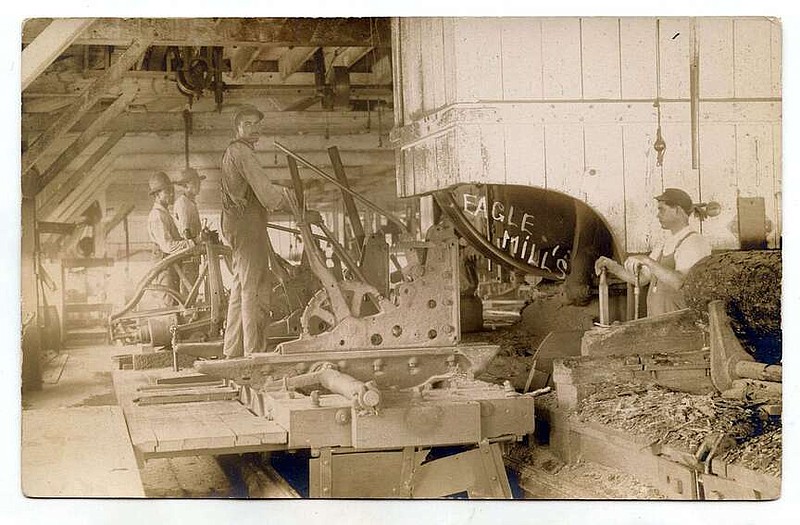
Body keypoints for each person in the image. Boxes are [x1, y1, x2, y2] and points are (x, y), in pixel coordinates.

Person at [220, 106, 288, 358]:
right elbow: (266, 194)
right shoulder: (241, 151)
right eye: (247, 124)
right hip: (246, 227)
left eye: (257, 124)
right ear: (237, 128)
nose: (254, 128)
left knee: (240, 288)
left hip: (240, 226)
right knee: (252, 289)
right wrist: (287, 198)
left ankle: (232, 350)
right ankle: (252, 353)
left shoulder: (235, 151)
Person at [594, 188, 711, 317]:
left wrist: (646, 260)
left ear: (677, 210)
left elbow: (679, 281)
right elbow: (642, 278)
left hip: (681, 326)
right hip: (659, 324)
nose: (658, 215)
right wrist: (613, 267)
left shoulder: (694, 242)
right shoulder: (663, 244)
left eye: (662, 209)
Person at [147, 171, 194, 306]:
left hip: (171, 264)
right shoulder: (157, 216)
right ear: (157, 195)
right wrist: (192, 242)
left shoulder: (165, 214)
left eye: (172, 191)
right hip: (164, 265)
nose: (172, 195)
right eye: (167, 192)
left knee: (176, 302)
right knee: (169, 305)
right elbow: (168, 246)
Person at [174, 167, 205, 240]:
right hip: (189, 247)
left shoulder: (191, 202)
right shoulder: (183, 203)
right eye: (194, 183)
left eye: (199, 183)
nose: (198, 186)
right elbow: (186, 232)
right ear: (185, 185)